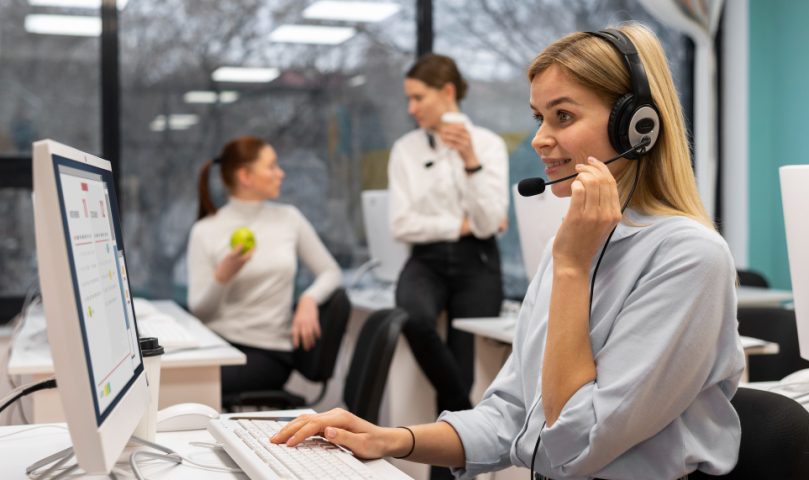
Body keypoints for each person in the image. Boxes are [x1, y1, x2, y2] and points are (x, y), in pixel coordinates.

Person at [271, 23, 744, 480]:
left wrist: (573, 269)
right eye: (539, 117)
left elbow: (573, 446)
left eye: (563, 115)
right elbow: (509, 416)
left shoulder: (687, 257)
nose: (539, 138)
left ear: (636, 127)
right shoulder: (574, 246)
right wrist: (391, 439)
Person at [388, 52, 509, 479]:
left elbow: (490, 220)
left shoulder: (489, 146)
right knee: (412, 316)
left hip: (478, 263)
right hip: (426, 262)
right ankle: (466, 414)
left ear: (447, 92)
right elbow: (402, 223)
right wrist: (457, 224)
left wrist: (471, 162)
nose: (411, 108)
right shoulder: (405, 150)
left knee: (463, 351)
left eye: (418, 97)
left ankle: (448, 460)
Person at [187, 136, 341, 397]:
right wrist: (223, 277)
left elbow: (331, 272)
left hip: (268, 353)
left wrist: (308, 299)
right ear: (245, 175)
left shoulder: (289, 218)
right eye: (271, 166)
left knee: (188, 388)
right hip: (218, 345)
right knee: (170, 378)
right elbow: (201, 311)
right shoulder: (205, 230)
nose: (280, 173)